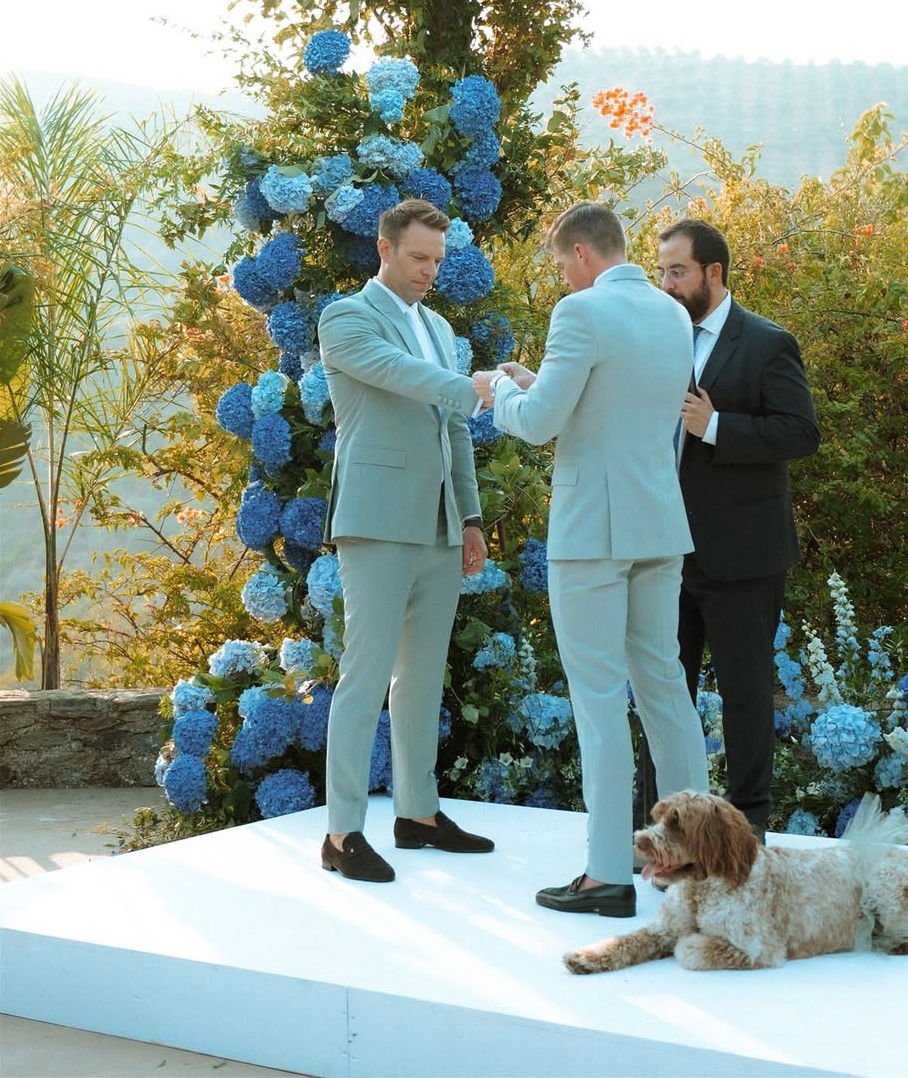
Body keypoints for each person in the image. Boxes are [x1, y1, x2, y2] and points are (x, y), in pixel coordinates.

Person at [473, 202, 708, 919]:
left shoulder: (580, 312)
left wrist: (499, 390)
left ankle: (607, 873)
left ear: (580, 253)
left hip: (593, 532)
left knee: (599, 699)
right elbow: (615, 403)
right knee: (666, 687)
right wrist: (535, 379)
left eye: (560, 264)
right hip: (658, 522)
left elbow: (539, 424)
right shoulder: (671, 313)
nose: (563, 278)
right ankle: (693, 859)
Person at [318, 198, 494, 881]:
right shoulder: (346, 317)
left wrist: (470, 519)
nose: (429, 271)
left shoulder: (441, 328)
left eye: (438, 261)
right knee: (364, 677)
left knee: (421, 679)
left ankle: (418, 815)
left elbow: (454, 428)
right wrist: (470, 386)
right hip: (377, 521)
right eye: (418, 257)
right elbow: (399, 374)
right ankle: (340, 835)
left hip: (440, 525)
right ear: (384, 249)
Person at [641, 217, 820, 840]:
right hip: (664, 549)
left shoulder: (768, 343)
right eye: (662, 271)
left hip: (744, 555)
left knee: (746, 696)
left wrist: (716, 427)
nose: (666, 284)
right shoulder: (659, 339)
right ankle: (660, 831)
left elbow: (801, 432)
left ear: (713, 272)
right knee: (664, 694)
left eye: (678, 271)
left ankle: (748, 835)